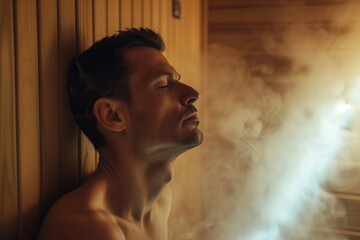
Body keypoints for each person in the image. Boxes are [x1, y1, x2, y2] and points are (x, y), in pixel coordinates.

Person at [37, 28, 203, 240]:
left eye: (177, 81)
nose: (192, 94)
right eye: (162, 85)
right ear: (113, 115)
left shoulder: (160, 202)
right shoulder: (88, 227)